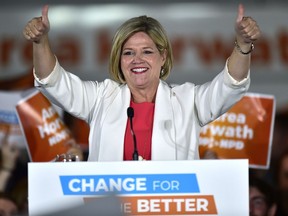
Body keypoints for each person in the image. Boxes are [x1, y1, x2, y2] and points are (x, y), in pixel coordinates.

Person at [22, 4, 261, 161]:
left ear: (163, 57)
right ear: (119, 59)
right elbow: (52, 81)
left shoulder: (188, 100)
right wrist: (40, 42)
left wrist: (242, 44)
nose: (137, 60)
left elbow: (232, 84)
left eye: (147, 52)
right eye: (128, 53)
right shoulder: (101, 97)